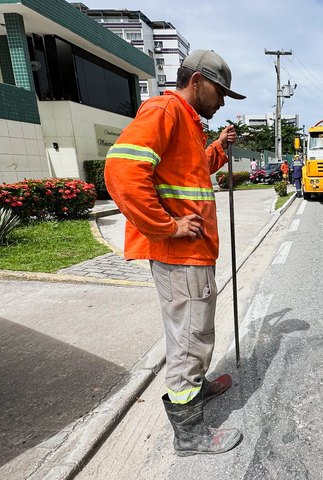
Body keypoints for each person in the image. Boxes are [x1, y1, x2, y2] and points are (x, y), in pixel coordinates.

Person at [104, 50, 245, 457]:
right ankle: (189, 436)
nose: (221, 103)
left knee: (195, 334)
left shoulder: (188, 122)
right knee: (188, 341)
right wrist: (167, 226)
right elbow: (121, 171)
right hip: (180, 254)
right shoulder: (165, 109)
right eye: (220, 93)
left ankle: (197, 388)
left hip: (194, 256)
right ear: (197, 81)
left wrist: (218, 147)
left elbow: (192, 172)